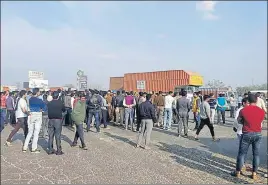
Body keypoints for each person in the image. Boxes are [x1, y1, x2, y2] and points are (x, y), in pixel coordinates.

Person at [232, 94, 265, 180]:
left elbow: (239, 121)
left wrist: (245, 121)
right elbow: (261, 121)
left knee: (242, 154)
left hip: (247, 133)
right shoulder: (261, 111)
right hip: (258, 134)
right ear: (257, 101)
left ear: (248, 101)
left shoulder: (243, 110)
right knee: (256, 155)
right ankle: (254, 173)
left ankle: (238, 172)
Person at [23, 88, 45, 153]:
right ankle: (33, 148)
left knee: (30, 132)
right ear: (37, 92)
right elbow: (44, 107)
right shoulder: (40, 100)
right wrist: (41, 110)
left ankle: (25, 147)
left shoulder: (29, 99)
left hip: (30, 115)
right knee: (36, 132)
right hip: (38, 115)